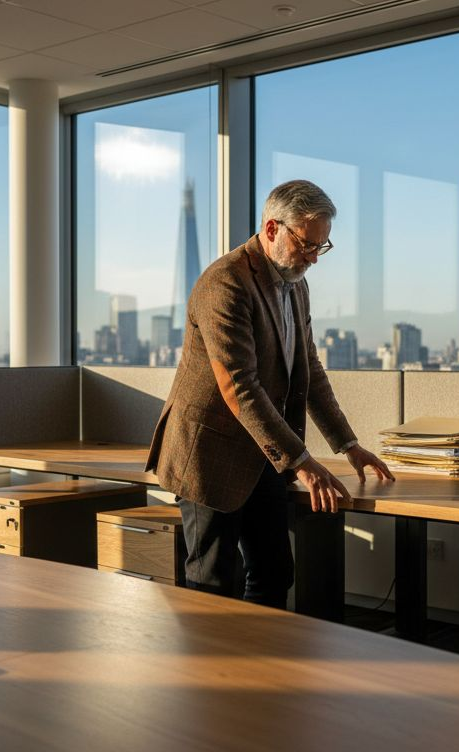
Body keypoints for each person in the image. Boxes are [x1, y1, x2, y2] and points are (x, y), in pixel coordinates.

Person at [146, 179, 394, 608]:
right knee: (214, 582)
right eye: (307, 244)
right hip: (211, 455)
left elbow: (309, 373)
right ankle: (213, 674)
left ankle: (265, 670)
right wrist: (303, 463)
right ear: (273, 228)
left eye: (322, 247)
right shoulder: (224, 283)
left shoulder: (295, 284)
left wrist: (348, 445)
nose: (314, 258)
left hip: (264, 454)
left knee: (275, 571)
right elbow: (239, 386)